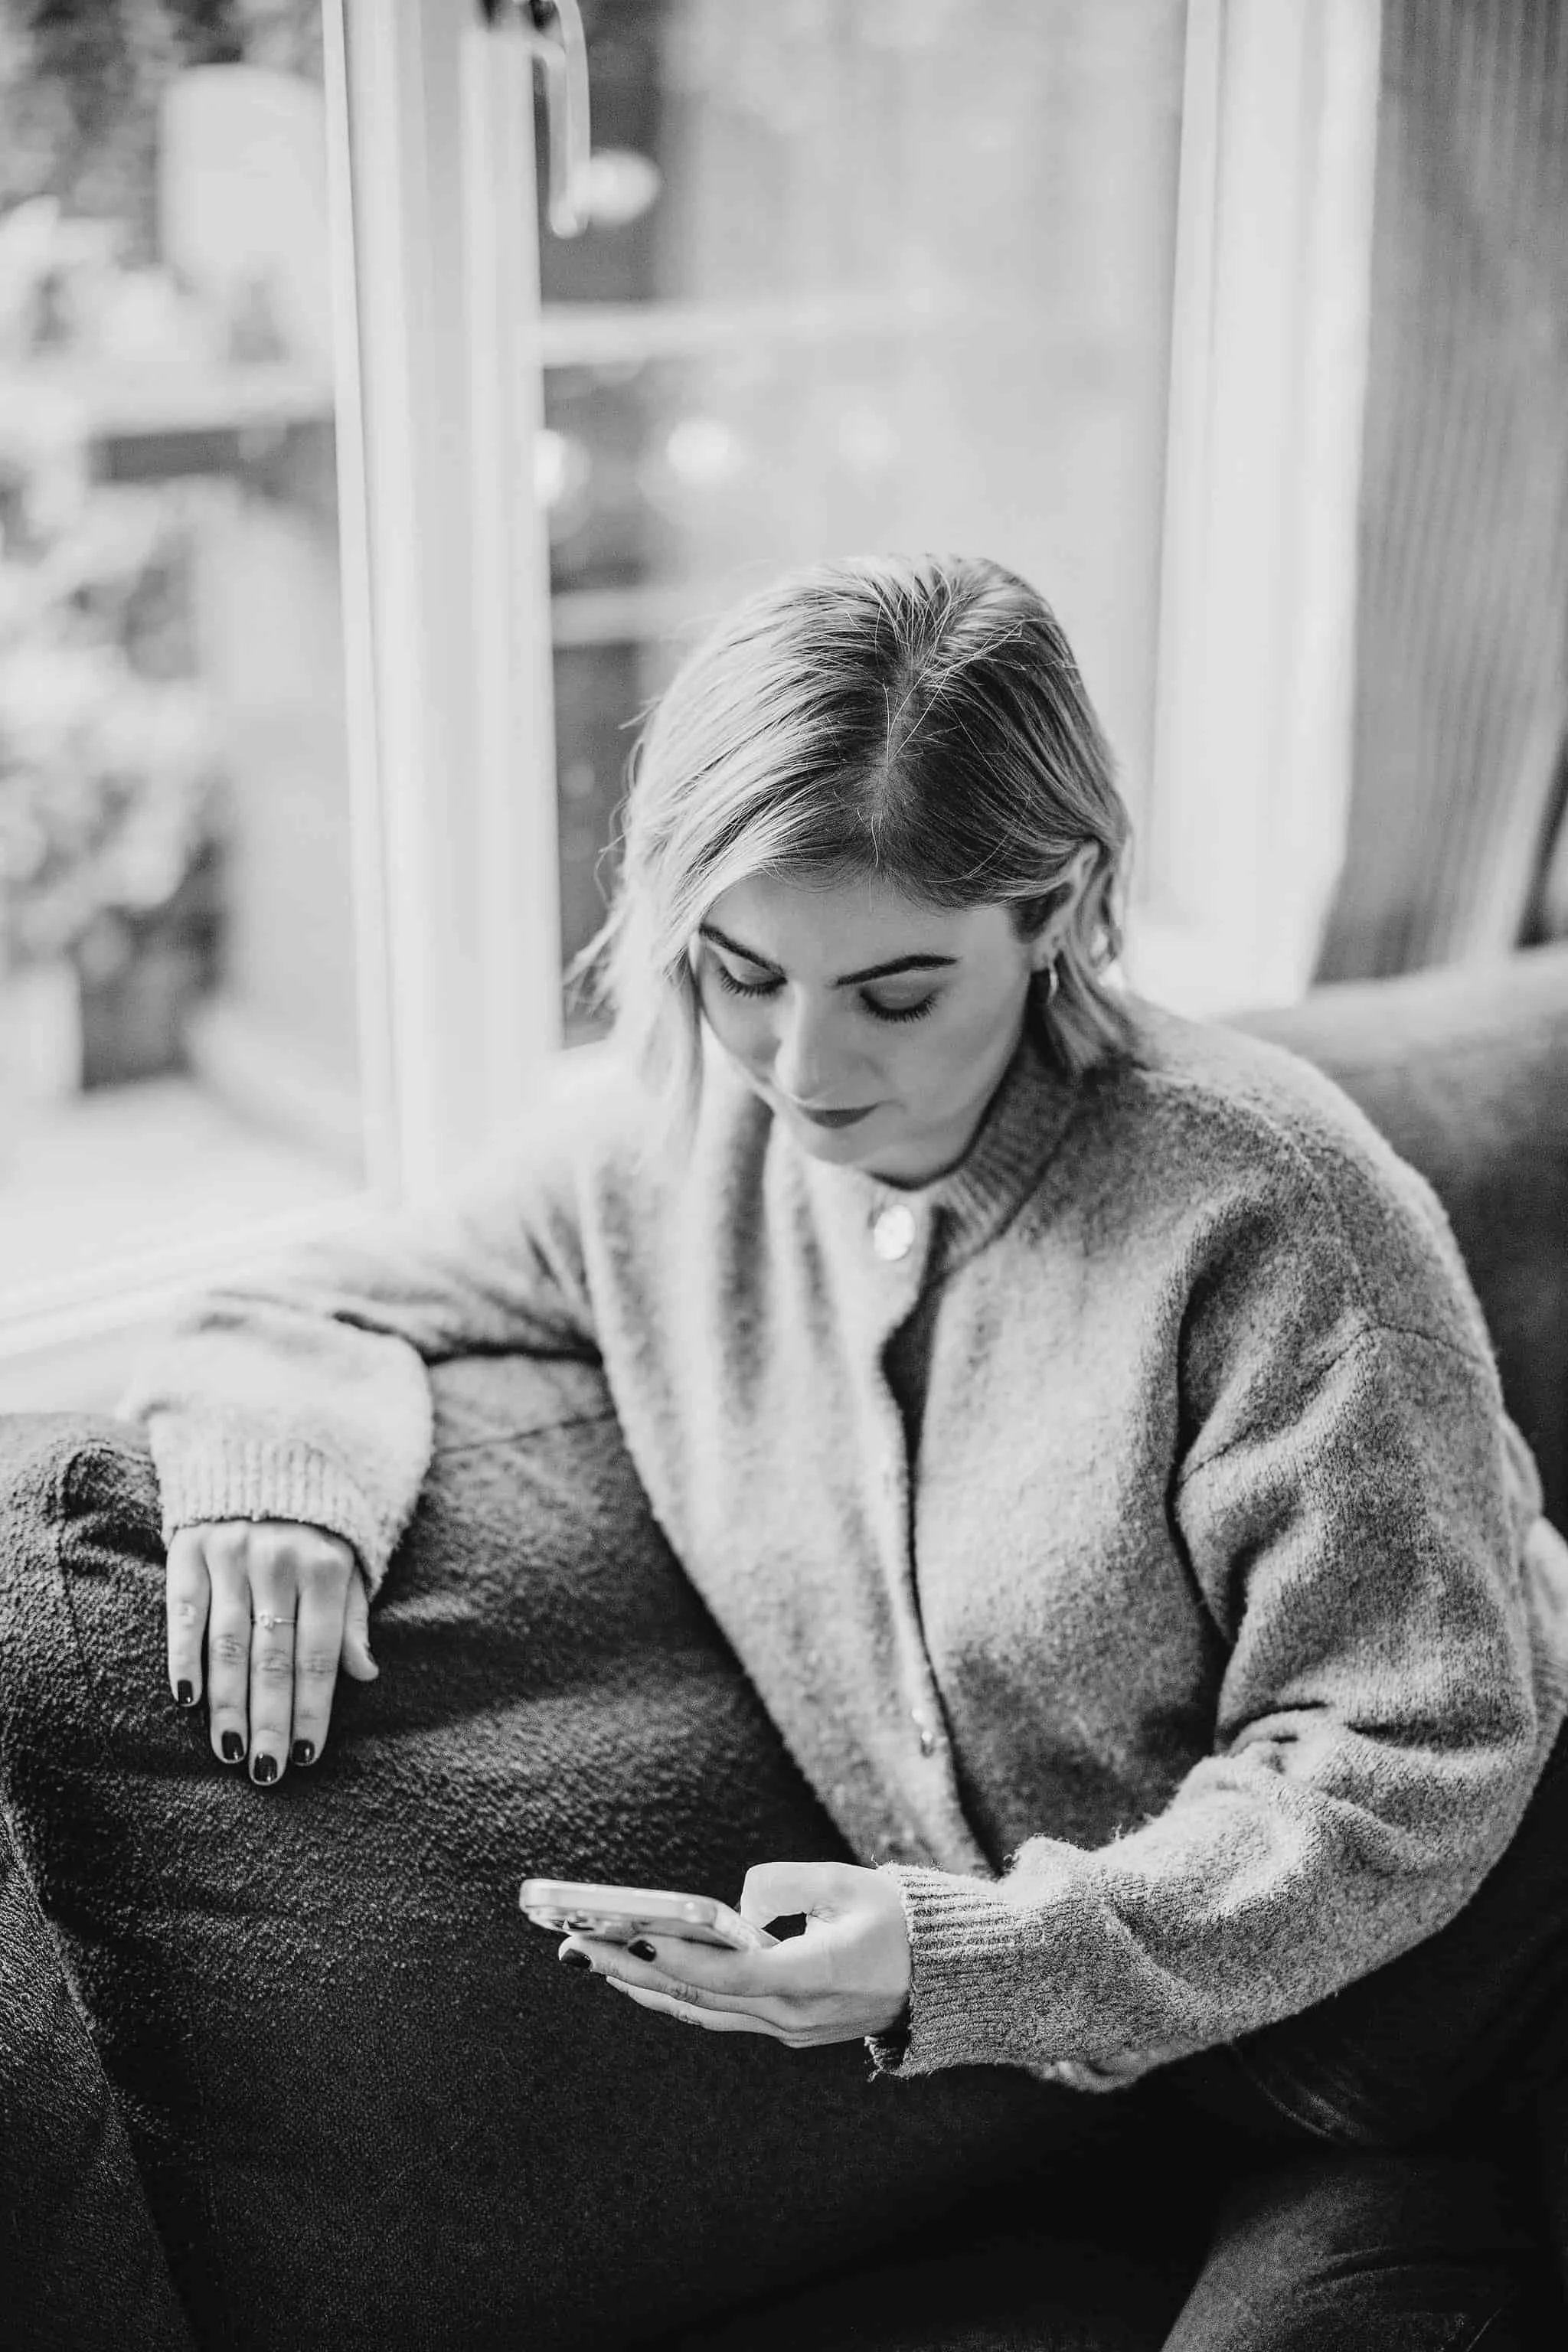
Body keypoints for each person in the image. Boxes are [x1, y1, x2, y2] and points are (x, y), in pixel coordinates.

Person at [124, 553, 1568, 2347]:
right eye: (741, 973)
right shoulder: (659, 1168)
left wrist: (961, 1956)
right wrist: (280, 1491)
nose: (800, 1070)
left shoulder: (1271, 1213)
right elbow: (302, 1304)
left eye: (894, 993)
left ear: (1059, 910)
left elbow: (1410, 1749)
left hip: (1486, 2022)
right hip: (1192, 2106)